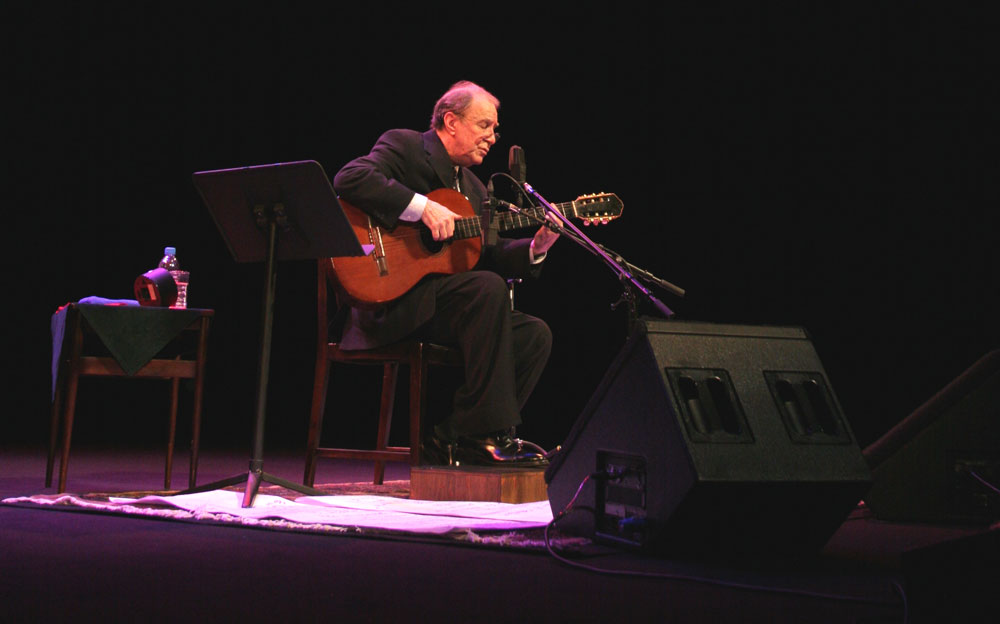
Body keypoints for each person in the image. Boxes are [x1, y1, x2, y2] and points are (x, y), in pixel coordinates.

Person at [332, 80, 560, 466]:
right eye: (484, 125)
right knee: (486, 289)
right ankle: (484, 436)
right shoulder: (406, 146)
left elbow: (491, 252)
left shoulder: (473, 187)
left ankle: (455, 436)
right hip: (389, 300)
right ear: (451, 121)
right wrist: (422, 208)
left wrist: (538, 247)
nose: (492, 137)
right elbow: (349, 178)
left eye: (495, 129)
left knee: (534, 334)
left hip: (441, 308)